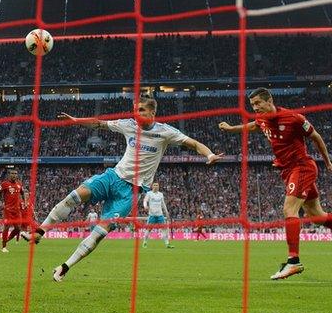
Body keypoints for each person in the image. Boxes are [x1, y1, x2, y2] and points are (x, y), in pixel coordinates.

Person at [21, 96, 223, 281]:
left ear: (153, 113)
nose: (137, 114)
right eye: (136, 110)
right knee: (75, 196)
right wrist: (75, 120)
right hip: (112, 177)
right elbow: (99, 124)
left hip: (130, 193)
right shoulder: (129, 125)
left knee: (100, 232)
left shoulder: (166, 132)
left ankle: (64, 267)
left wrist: (210, 155)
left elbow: (194, 144)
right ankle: (39, 232)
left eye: (142, 110)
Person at [219, 87, 332, 280]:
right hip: (288, 171)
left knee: (289, 210)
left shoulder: (293, 118)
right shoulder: (262, 119)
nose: (255, 108)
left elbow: (316, 137)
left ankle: (293, 262)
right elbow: (253, 126)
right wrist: (231, 129)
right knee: (317, 217)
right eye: (252, 105)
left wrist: (328, 162)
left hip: (302, 167)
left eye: (258, 103)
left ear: (269, 100)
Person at [0, 168, 26, 253]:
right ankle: (4, 247)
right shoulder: (5, 184)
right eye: (12, 173)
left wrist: (25, 202)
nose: (14, 175)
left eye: (15, 173)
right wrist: (0, 203)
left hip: (17, 210)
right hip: (8, 209)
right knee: (7, 227)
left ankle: (6, 240)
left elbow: (23, 193)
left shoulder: (19, 184)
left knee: (18, 229)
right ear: (9, 175)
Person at [142, 182, 173, 249]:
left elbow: (163, 204)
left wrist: (166, 212)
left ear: (158, 187)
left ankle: (167, 244)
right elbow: (145, 200)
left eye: (157, 185)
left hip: (160, 215)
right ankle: (144, 242)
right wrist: (145, 206)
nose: (156, 186)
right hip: (152, 215)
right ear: (152, 186)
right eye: (154, 185)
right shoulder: (149, 193)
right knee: (148, 229)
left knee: (164, 229)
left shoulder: (160, 194)